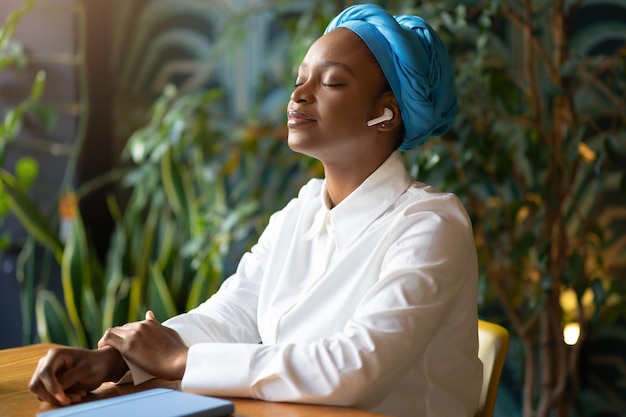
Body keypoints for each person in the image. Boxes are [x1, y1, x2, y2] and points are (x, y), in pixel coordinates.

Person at [29, 4, 482, 416]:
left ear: (387, 112)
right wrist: (117, 358)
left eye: (332, 81)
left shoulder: (430, 225)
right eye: (300, 78)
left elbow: (356, 368)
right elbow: (231, 316)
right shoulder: (299, 213)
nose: (300, 95)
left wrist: (181, 359)